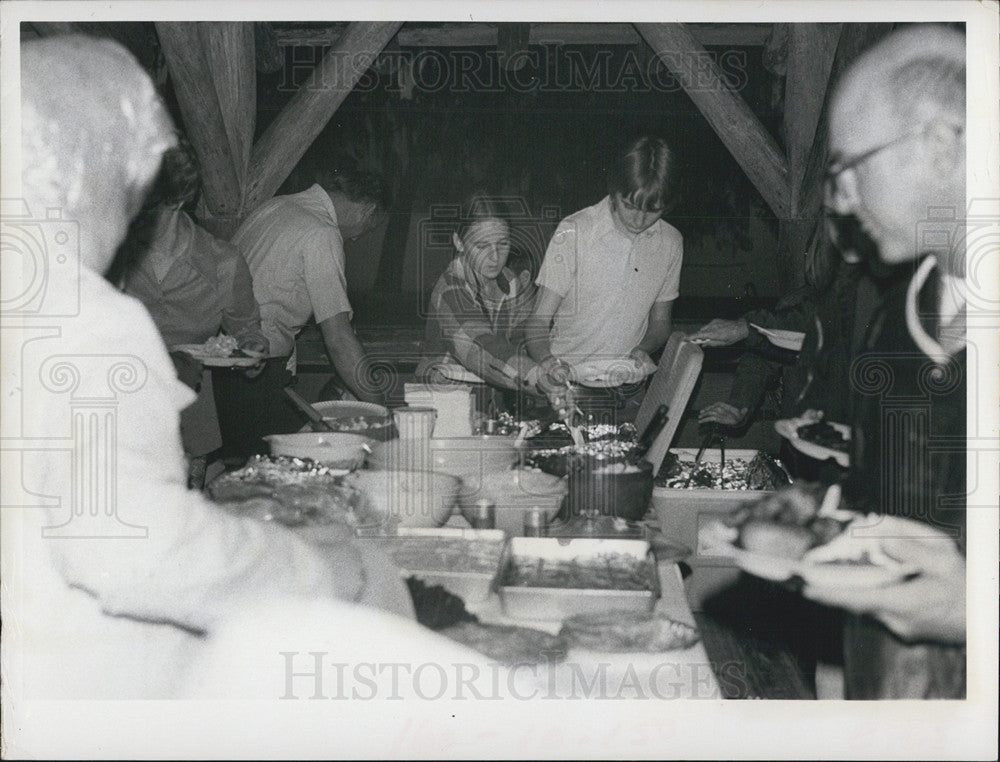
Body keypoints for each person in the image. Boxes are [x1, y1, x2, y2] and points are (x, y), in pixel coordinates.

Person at [5, 35, 415, 700]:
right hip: (80, 694)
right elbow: (138, 550)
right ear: (109, 171)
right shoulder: (92, 320)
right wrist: (322, 571)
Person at [799, 24, 968, 698]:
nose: (842, 203)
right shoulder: (896, 320)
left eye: (847, 170)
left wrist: (971, 611)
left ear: (938, 141)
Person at [117, 138, 268, 487]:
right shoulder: (114, 255)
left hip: (192, 420)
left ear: (180, 199)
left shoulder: (221, 263)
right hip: (122, 408)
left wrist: (253, 350)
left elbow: (247, 332)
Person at [214, 167, 387, 459]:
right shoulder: (321, 231)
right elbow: (338, 338)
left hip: (223, 371)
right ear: (366, 212)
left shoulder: (275, 206)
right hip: (257, 374)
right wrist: (381, 409)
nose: (356, 239)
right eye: (366, 231)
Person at [525, 136, 683, 423]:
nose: (639, 219)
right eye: (630, 206)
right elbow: (537, 321)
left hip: (628, 394)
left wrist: (644, 349)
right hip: (566, 387)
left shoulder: (671, 242)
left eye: (653, 210)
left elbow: (661, 323)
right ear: (614, 192)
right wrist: (548, 363)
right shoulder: (574, 231)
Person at [416, 193, 569, 417]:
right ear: (459, 242)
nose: (495, 256)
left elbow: (521, 341)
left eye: (503, 243)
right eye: (481, 245)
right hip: (443, 405)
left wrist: (552, 364)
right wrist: (538, 377)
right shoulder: (450, 291)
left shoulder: (510, 282)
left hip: (490, 407)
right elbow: (484, 349)